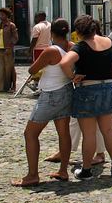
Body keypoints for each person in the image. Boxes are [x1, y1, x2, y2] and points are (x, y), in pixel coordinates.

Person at [12, 18, 75, 187]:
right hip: (67, 91)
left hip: (51, 94)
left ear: (52, 33)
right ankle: (63, 170)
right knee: (63, 133)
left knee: (30, 134)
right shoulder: (71, 47)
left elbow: (32, 69)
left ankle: (32, 174)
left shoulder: (50, 51)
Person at [59, 15, 112, 179]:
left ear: (78, 32)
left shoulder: (81, 47)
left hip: (87, 89)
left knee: (89, 133)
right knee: (109, 130)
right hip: (107, 86)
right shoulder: (109, 43)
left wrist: (72, 77)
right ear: (95, 28)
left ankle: (86, 170)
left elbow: (64, 63)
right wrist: (110, 78)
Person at [0, 8, 18, 92]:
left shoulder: (11, 25)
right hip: (0, 49)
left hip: (8, 49)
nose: (1, 16)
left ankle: (13, 86)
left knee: (10, 69)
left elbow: (15, 38)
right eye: (0, 15)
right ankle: (1, 87)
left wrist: (10, 47)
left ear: (7, 15)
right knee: (1, 68)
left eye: (3, 15)